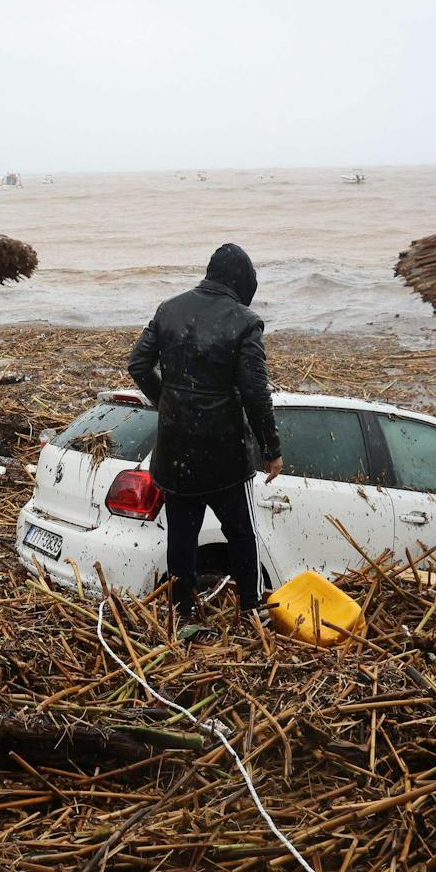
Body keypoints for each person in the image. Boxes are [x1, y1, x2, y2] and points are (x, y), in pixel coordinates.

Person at [127, 243, 282, 618]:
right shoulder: (245, 321)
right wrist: (271, 448)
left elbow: (138, 364)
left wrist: (167, 401)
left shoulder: (169, 309)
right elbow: (255, 392)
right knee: (242, 533)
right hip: (224, 455)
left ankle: (182, 612)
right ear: (243, 281)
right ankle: (251, 607)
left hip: (176, 453)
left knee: (181, 536)